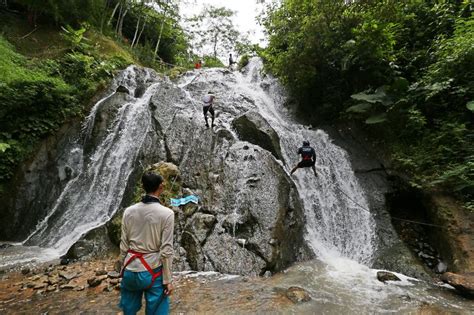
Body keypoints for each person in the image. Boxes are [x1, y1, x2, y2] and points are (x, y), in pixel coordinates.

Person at [118, 172, 174, 315]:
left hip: (130, 269)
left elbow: (124, 244)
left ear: (143, 186)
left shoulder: (128, 211)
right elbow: (166, 250)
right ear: (161, 187)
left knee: (128, 312)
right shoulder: (167, 214)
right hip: (152, 271)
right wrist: (168, 279)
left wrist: (121, 268)